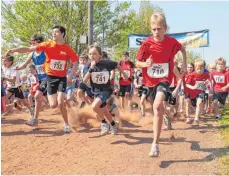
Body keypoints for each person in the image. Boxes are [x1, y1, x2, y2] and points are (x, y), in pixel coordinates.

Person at [5, 25, 79, 133]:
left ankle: (66, 124)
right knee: (53, 105)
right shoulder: (47, 45)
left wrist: (70, 76)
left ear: (62, 34)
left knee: (59, 102)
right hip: (50, 78)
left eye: (57, 32)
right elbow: (28, 49)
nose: (54, 34)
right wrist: (13, 50)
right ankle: (56, 105)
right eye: (53, 32)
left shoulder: (68, 49)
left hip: (61, 78)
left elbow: (75, 63)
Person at [136, 12, 187, 157]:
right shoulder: (146, 43)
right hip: (150, 81)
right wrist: (145, 63)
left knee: (157, 105)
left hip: (164, 78)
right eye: (154, 29)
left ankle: (155, 144)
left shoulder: (171, 42)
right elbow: (137, 63)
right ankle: (166, 117)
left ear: (165, 28)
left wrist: (183, 63)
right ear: (151, 29)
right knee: (156, 109)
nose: (156, 32)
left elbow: (182, 49)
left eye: (159, 28)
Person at [83, 45, 128, 135]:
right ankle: (113, 124)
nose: (92, 56)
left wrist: (123, 74)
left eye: (95, 54)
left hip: (106, 90)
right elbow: (85, 80)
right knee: (105, 112)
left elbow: (117, 65)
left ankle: (104, 123)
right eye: (90, 54)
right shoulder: (88, 66)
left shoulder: (106, 63)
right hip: (96, 91)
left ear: (100, 54)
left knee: (94, 106)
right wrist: (91, 68)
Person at [14, 34, 48, 126]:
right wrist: (17, 68)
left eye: (34, 43)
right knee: (38, 97)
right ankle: (35, 119)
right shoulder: (31, 54)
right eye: (31, 43)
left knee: (52, 101)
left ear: (40, 43)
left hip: (49, 78)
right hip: (41, 80)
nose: (31, 45)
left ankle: (35, 118)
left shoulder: (46, 52)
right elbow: (24, 65)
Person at [186, 60, 211, 126]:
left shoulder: (206, 74)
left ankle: (196, 119)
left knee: (199, 102)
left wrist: (208, 83)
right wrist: (193, 87)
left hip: (201, 92)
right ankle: (195, 114)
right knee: (194, 105)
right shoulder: (192, 75)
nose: (199, 70)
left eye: (201, 69)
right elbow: (187, 84)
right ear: (195, 68)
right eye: (198, 69)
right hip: (192, 93)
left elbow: (209, 80)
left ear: (204, 68)